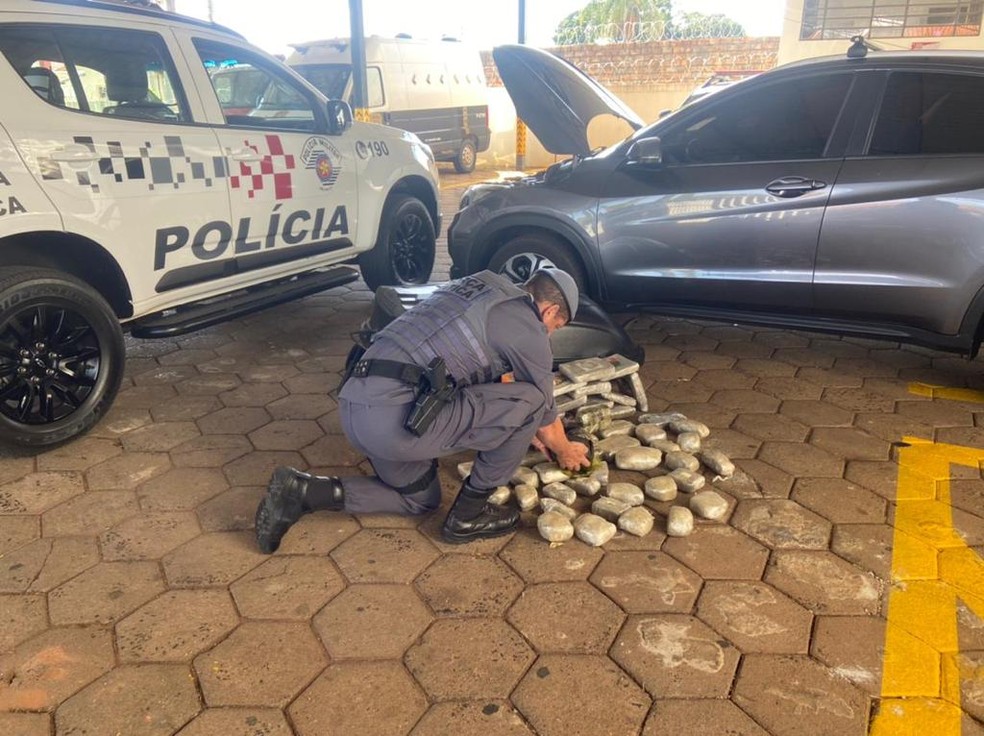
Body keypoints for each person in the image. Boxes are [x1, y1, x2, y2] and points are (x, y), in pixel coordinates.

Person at [254, 268, 592, 552]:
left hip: (356, 408)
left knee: (421, 500)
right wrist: (565, 450)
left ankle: (302, 491)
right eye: (556, 328)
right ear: (549, 312)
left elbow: (482, 370)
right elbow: (542, 409)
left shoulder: (478, 286)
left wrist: (515, 425)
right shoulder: (528, 326)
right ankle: (469, 515)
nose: (549, 334)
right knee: (533, 402)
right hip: (394, 423)